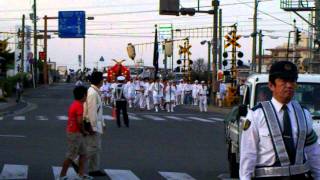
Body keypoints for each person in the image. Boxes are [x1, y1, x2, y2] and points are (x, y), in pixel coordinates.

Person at [240, 61, 320, 180]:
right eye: (283, 81)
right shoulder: (256, 115)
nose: (289, 85)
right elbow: (248, 153)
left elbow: (313, 152)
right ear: (271, 85)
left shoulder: (304, 114)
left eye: (292, 81)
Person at [59, 86, 93, 180]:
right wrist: (84, 131)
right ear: (83, 95)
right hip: (75, 133)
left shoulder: (75, 103)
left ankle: (81, 175)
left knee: (83, 153)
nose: (87, 97)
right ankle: (62, 175)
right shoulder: (79, 105)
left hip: (76, 133)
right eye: (86, 94)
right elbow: (79, 121)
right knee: (71, 156)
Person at [84, 71, 107, 176]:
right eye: (102, 79)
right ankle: (76, 161)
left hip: (97, 123)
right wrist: (92, 126)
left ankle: (94, 169)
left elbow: (98, 111)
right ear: (99, 81)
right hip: (93, 124)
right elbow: (92, 111)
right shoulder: (92, 92)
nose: (103, 81)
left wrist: (102, 123)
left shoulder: (95, 91)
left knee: (97, 147)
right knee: (94, 147)